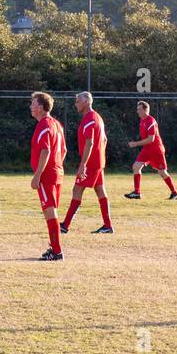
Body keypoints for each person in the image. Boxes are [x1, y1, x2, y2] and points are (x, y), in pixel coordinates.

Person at [61, 91, 112, 235]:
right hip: (97, 161)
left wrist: (83, 164)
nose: (75, 104)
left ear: (86, 102)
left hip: (91, 163)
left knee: (77, 190)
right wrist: (99, 155)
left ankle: (65, 225)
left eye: (78, 101)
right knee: (100, 190)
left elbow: (90, 142)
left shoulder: (90, 118)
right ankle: (107, 225)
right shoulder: (97, 117)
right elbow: (105, 140)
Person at [29, 92, 67, 261]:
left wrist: (37, 175)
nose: (31, 106)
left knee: (49, 212)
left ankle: (57, 251)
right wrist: (56, 164)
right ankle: (54, 247)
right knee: (51, 211)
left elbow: (46, 150)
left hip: (47, 175)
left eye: (33, 103)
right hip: (57, 172)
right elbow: (64, 150)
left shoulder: (44, 125)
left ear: (41, 107)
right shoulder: (56, 124)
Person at [126, 100, 177, 200]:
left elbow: (151, 139)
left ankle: (175, 193)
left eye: (139, 109)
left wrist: (135, 143)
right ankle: (137, 193)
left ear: (146, 110)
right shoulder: (142, 120)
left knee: (162, 172)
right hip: (147, 149)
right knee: (136, 167)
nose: (137, 111)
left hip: (156, 150)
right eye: (137, 109)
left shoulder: (151, 121)